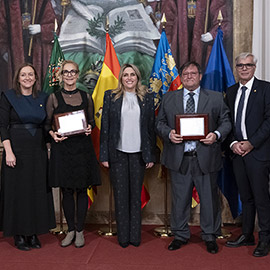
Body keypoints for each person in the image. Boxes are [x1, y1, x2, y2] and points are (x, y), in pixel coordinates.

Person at [156, 61, 231, 254]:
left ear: (200, 76)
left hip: (205, 156)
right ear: (181, 77)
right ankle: (180, 234)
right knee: (179, 200)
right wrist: (169, 134)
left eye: (193, 73)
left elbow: (226, 121)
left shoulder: (215, 98)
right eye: (186, 73)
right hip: (179, 157)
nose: (189, 76)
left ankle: (210, 235)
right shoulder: (169, 98)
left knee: (209, 199)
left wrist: (216, 135)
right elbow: (159, 123)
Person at [0, 63, 56, 251]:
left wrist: (49, 147)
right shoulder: (8, 97)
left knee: (36, 191)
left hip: (37, 150)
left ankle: (33, 233)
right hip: (15, 150)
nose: (27, 78)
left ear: (35, 78)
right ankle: (19, 235)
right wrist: (8, 151)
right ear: (18, 78)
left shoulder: (43, 97)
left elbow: (47, 125)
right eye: (23, 75)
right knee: (18, 192)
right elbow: (2, 126)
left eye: (30, 74)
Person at [45, 60, 101, 248]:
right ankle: (69, 230)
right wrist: (53, 134)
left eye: (73, 72)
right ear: (61, 76)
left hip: (82, 150)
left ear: (77, 75)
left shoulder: (86, 97)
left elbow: (91, 122)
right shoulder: (53, 98)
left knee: (81, 190)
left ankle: (79, 231)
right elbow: (46, 125)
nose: (69, 75)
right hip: (63, 150)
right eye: (66, 72)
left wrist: (89, 128)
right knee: (67, 191)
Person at [100, 63, 156, 248]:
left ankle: (135, 236)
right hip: (118, 154)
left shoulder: (147, 98)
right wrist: (104, 155)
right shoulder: (111, 96)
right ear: (121, 78)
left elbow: (150, 128)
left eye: (133, 74)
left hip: (139, 154)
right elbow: (105, 128)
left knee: (135, 196)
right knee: (121, 196)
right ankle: (123, 237)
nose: (129, 78)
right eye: (126, 75)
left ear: (137, 78)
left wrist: (150, 155)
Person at [225, 53, 270, 257]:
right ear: (236, 68)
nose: (244, 68)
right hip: (238, 153)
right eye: (240, 65)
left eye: (248, 65)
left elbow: (268, 122)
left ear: (254, 67)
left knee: (261, 198)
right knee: (246, 197)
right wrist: (234, 143)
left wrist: (251, 143)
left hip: (258, 152)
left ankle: (265, 239)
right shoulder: (231, 91)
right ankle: (247, 235)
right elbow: (228, 122)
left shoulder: (266, 89)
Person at [148, 0, 232, 68]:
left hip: (203, 44)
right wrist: (168, 40)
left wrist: (212, 34)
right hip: (180, 41)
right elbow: (167, 17)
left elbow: (221, 18)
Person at [0, 0, 56, 90]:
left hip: (37, 52)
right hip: (15, 51)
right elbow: (1, 28)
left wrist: (41, 29)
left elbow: (55, 26)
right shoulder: (7, 2)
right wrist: (3, 50)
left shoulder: (42, 2)